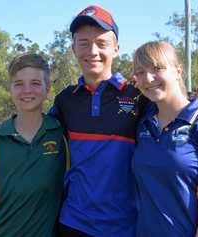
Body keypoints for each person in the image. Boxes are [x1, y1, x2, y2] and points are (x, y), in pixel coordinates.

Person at [49, 5, 147, 236]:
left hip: (126, 226)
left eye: (101, 43)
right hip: (73, 223)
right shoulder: (65, 100)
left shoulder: (139, 97)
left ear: (116, 48)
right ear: (73, 49)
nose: (92, 51)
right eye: (83, 43)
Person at [132, 41, 198, 237]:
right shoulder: (142, 123)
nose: (148, 78)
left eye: (157, 68)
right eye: (140, 72)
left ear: (178, 71)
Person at [0, 53, 67, 237]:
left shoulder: (61, 132)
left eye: (35, 83)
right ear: (10, 88)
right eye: (18, 84)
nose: (27, 90)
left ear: (47, 87)